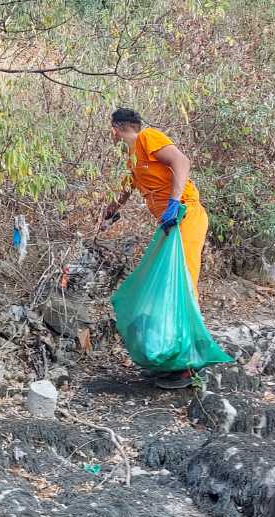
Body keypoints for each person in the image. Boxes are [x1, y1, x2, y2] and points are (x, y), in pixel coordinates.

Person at [102, 108, 210, 390]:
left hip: (186, 216)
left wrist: (174, 203)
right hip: (169, 224)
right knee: (162, 286)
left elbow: (181, 162)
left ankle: (188, 364)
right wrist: (110, 211)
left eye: (110, 129)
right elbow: (127, 187)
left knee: (182, 284)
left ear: (115, 128)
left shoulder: (148, 137)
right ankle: (170, 356)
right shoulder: (131, 156)